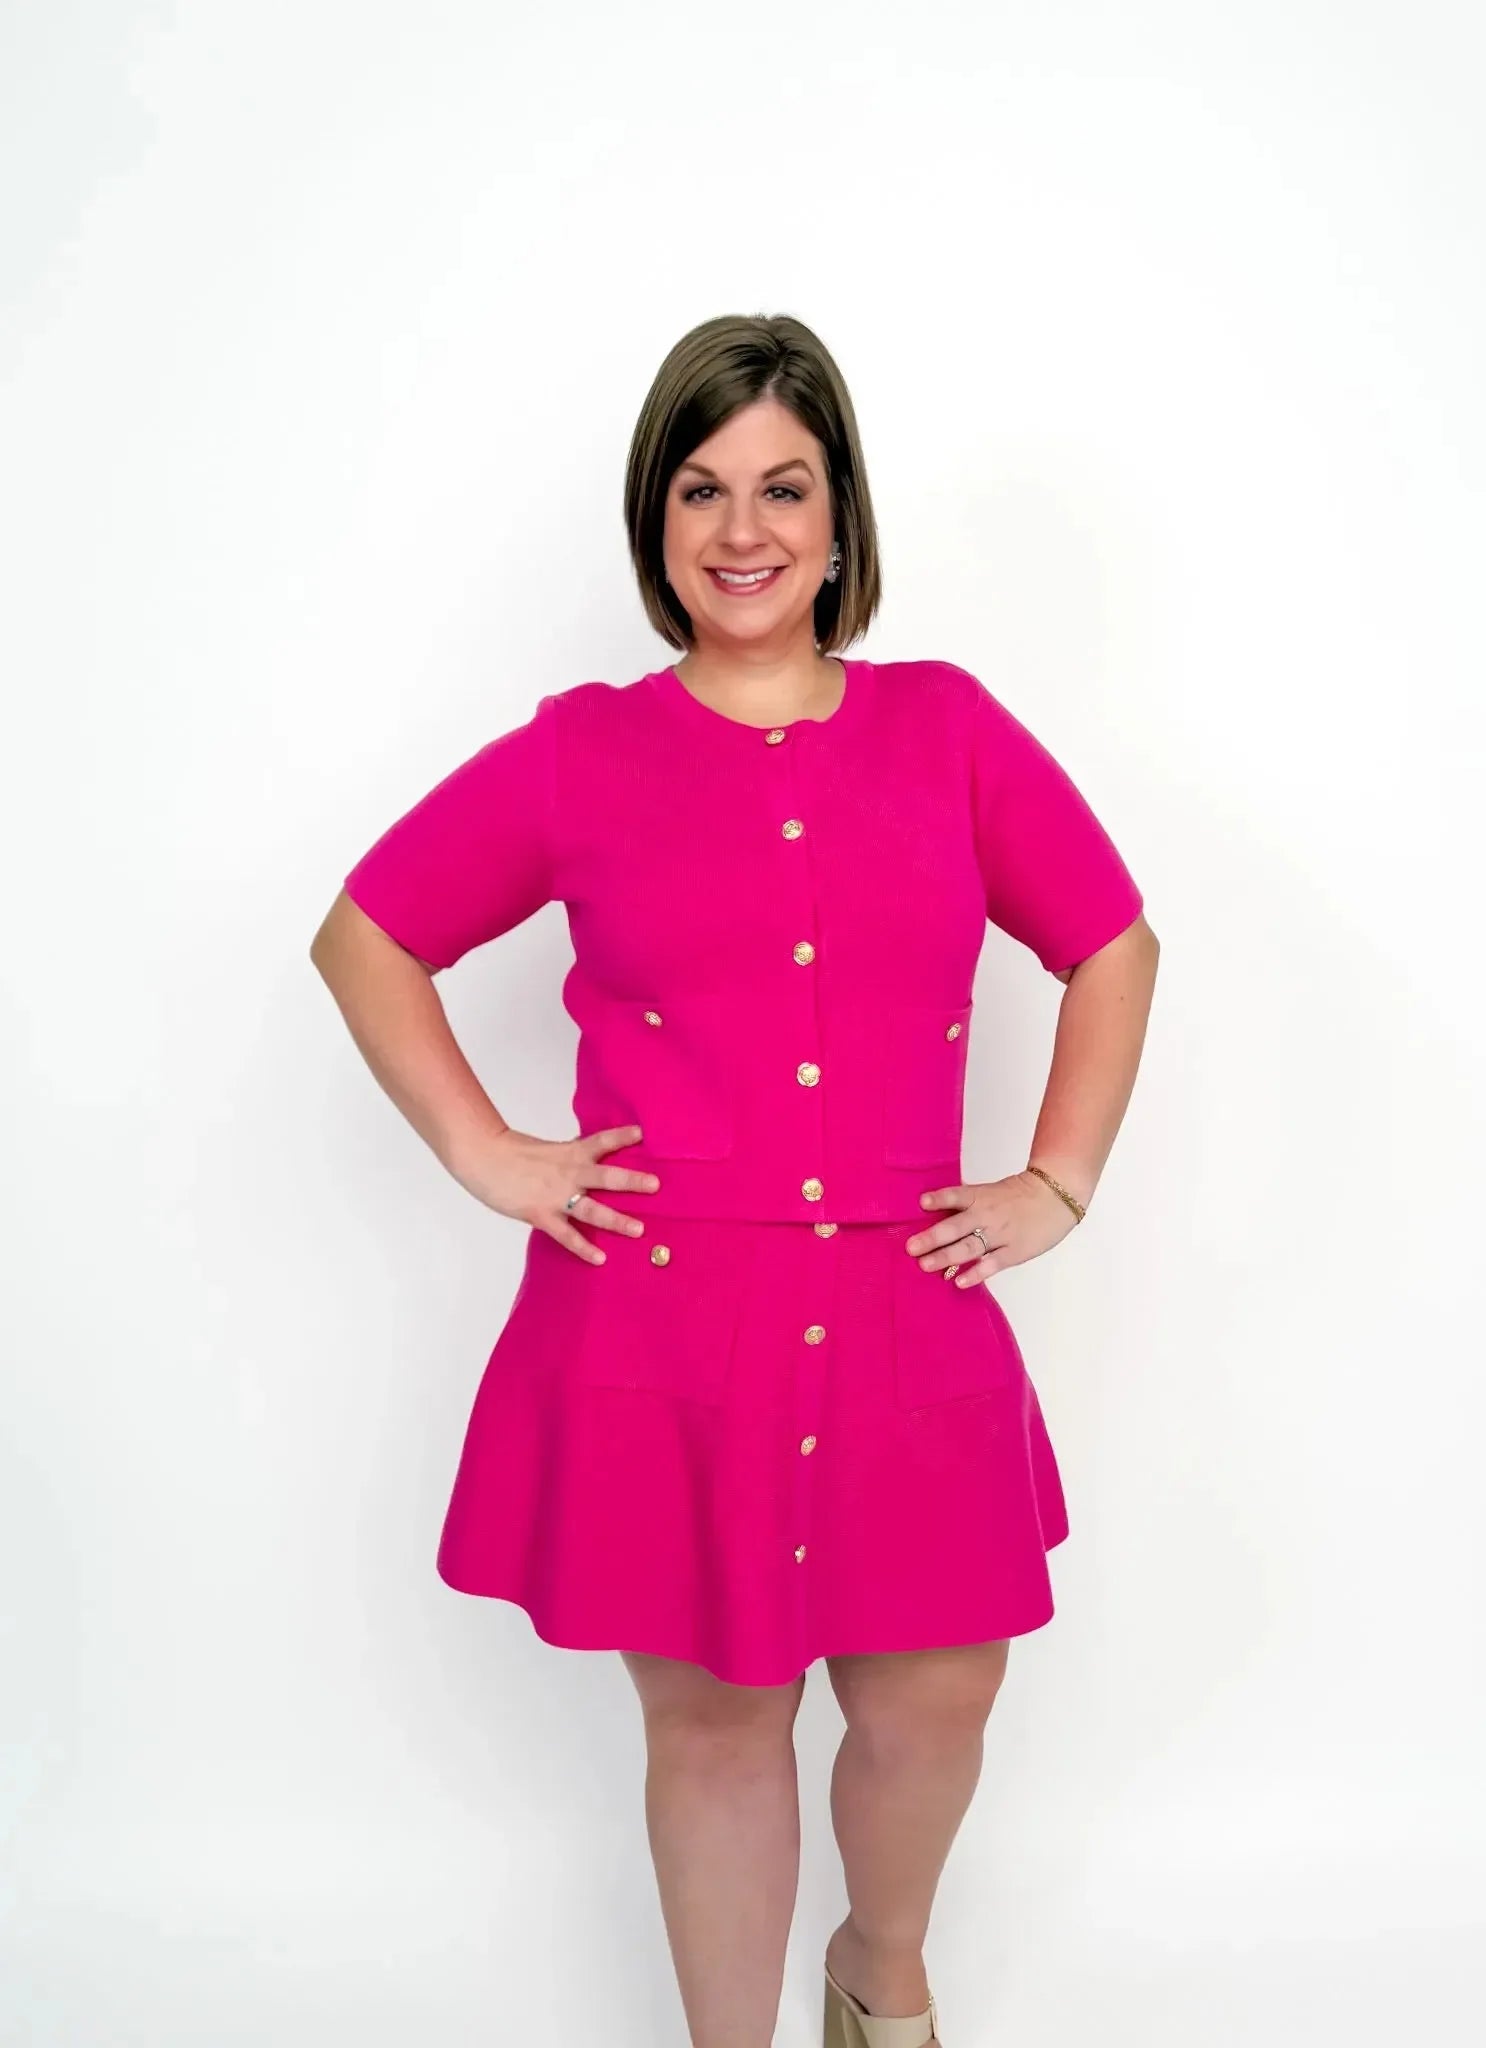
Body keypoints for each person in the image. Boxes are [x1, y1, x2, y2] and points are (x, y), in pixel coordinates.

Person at [309, 310, 1159, 2048]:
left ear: (842, 519)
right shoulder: (582, 753)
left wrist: (1057, 1180)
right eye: (700, 488)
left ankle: (880, 1966)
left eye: (783, 485)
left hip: (905, 1301)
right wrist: (486, 1151)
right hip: (665, 1321)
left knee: (938, 1693)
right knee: (714, 1722)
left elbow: (1111, 940)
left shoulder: (948, 730)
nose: (742, 527)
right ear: (657, 521)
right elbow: (368, 934)